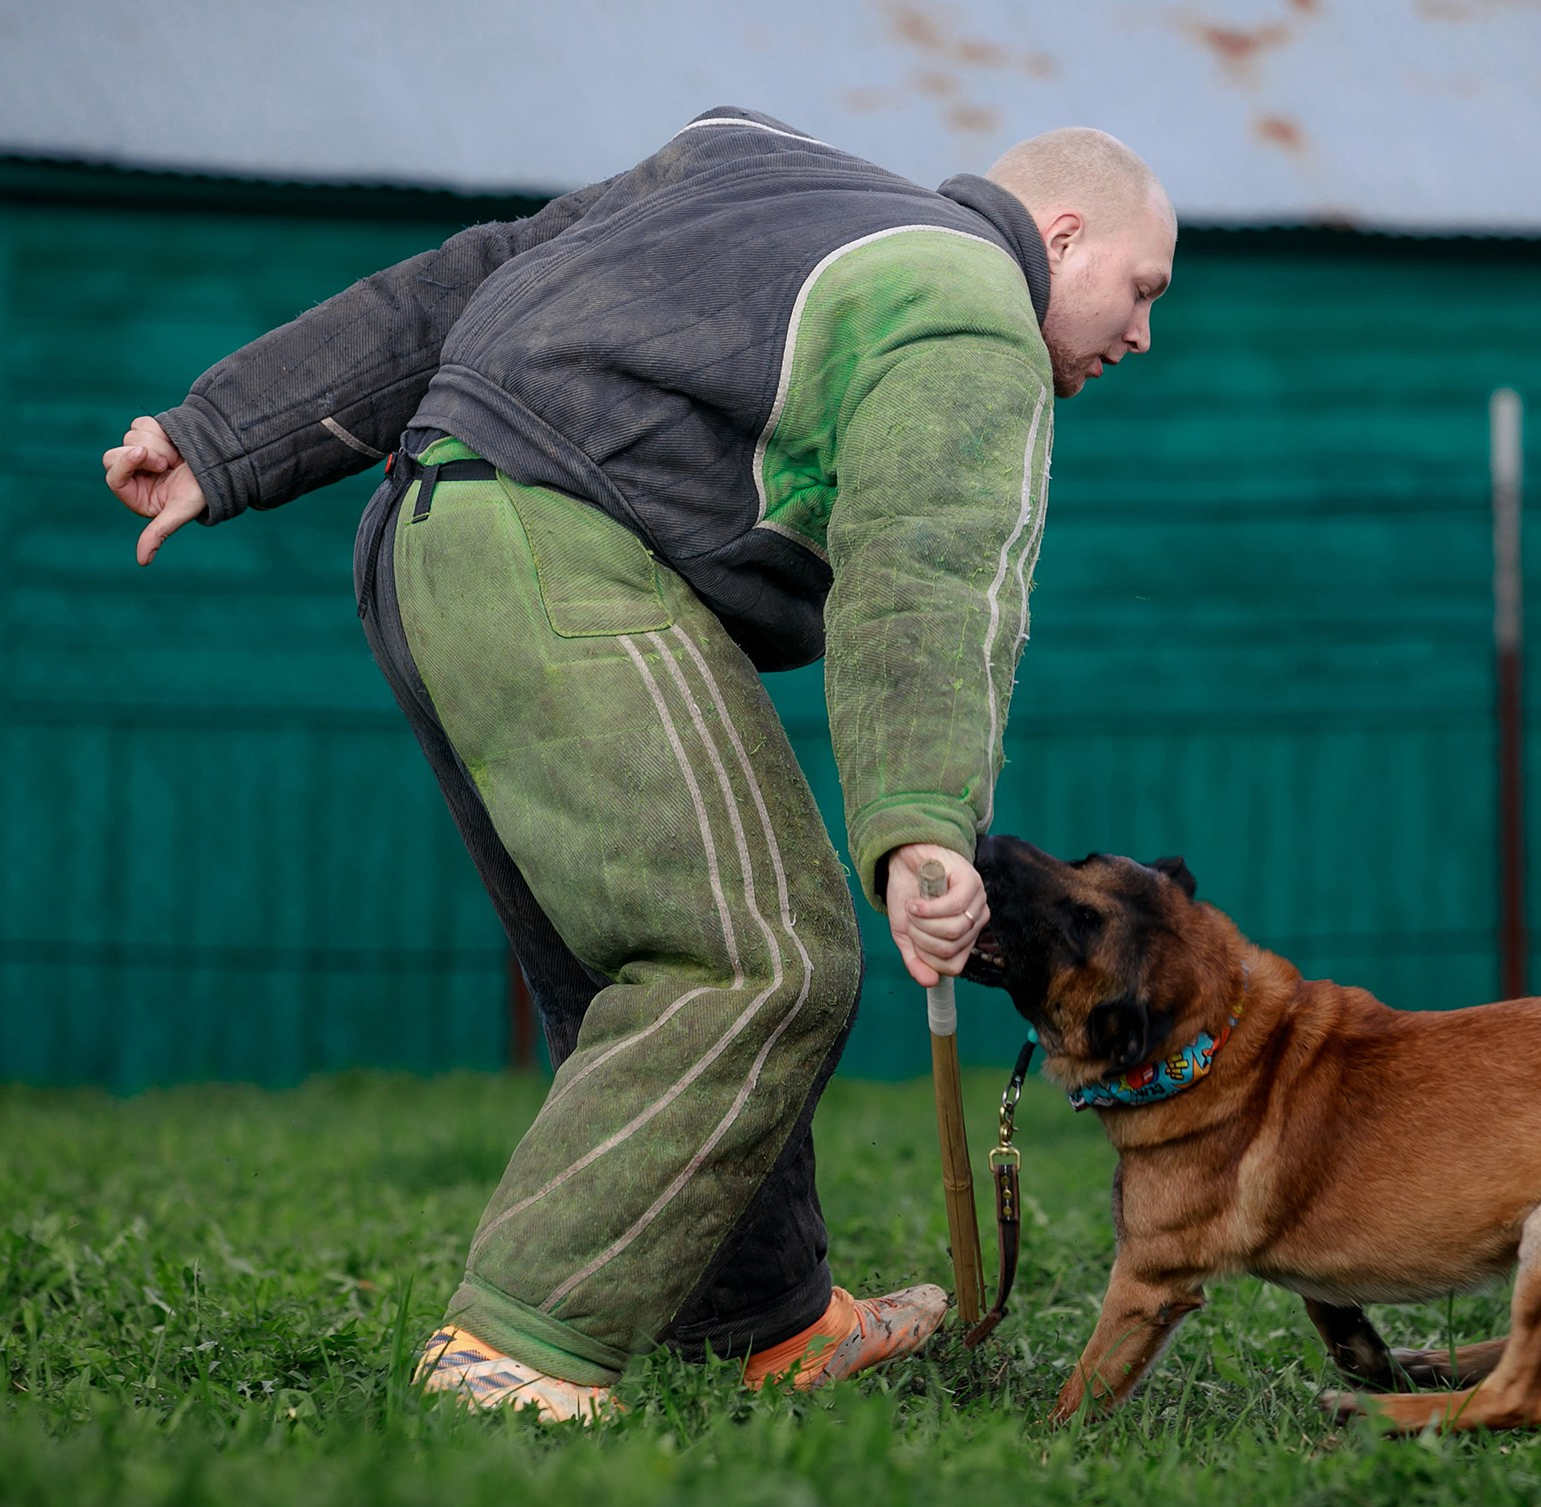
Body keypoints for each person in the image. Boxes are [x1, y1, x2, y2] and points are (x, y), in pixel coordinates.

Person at [104, 111, 1175, 1420]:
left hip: (429, 536)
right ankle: (517, 1351)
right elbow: (928, 582)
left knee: (663, 959)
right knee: (764, 956)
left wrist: (227, 434)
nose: (1139, 335)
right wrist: (921, 827)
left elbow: (475, 277)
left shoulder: (745, 161)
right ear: (1059, 236)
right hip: (564, 559)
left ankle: (765, 1326)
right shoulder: (971, 309)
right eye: (1140, 289)